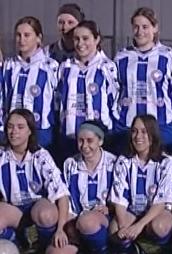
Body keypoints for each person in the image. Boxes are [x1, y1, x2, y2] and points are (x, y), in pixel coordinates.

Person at [114, 7, 172, 160]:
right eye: (136, 27)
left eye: (145, 27)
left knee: (167, 173)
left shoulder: (169, 57)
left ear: (155, 28)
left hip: (162, 127)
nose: (140, 31)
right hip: (127, 127)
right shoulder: (121, 57)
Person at [0, 109, 70, 252]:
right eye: (10, 126)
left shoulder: (41, 156)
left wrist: (61, 229)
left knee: (46, 214)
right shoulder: (2, 155)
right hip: (14, 210)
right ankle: (18, 242)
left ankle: (44, 245)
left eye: (20, 127)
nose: (14, 132)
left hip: (37, 209)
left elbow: (62, 194)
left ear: (30, 131)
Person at [46, 120, 116, 254]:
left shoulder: (114, 163)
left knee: (87, 222)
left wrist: (110, 207)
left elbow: (122, 197)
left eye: (90, 141)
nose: (84, 146)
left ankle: (103, 249)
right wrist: (64, 227)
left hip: (103, 221)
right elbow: (65, 197)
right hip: (76, 221)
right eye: (80, 141)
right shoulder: (70, 164)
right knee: (53, 252)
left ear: (100, 141)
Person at [110, 114, 172, 253]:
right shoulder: (124, 161)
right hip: (133, 210)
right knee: (114, 231)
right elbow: (119, 197)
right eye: (134, 131)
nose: (138, 136)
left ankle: (164, 248)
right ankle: (134, 249)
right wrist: (123, 226)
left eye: (144, 131)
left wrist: (139, 225)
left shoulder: (166, 162)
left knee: (160, 226)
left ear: (153, 136)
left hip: (157, 212)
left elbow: (161, 202)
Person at [58, 20, 120, 161]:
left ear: (97, 39)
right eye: (76, 39)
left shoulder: (107, 67)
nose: (80, 43)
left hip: (100, 138)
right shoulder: (65, 67)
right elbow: (58, 100)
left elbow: (116, 102)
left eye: (85, 38)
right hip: (70, 138)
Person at [2, 16, 59, 149]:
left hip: (41, 133)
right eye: (18, 35)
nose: (22, 40)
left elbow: (58, 102)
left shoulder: (51, 67)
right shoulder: (9, 66)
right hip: (13, 132)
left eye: (27, 35)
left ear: (38, 38)